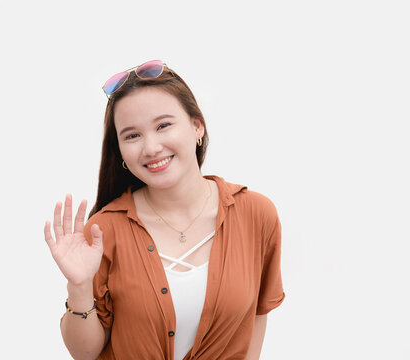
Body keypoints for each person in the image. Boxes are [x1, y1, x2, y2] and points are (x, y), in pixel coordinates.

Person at [43, 60, 286, 360]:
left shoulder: (256, 214)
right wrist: (78, 287)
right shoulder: (103, 231)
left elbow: (258, 316)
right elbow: (85, 352)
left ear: (197, 125)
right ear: (119, 150)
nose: (151, 147)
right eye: (132, 135)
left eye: (163, 126)